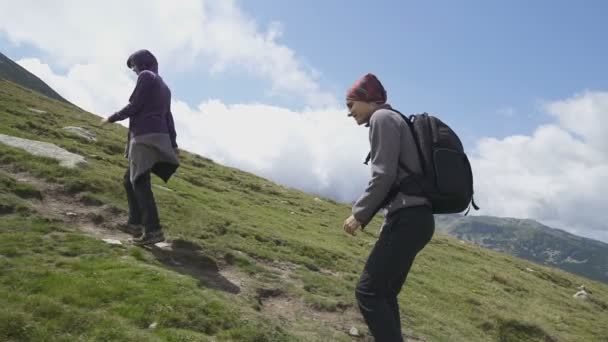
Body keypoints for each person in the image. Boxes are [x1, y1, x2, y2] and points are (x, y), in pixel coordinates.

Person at [343, 73, 435, 341]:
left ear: (368, 100)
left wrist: (358, 214)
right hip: (418, 219)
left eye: (350, 105)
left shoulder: (381, 119)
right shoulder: (395, 118)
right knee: (383, 294)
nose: (349, 114)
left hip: (407, 218)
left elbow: (383, 175)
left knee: (368, 292)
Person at [100, 49, 179, 245]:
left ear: (143, 63)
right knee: (129, 180)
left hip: (144, 136)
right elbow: (168, 116)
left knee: (140, 181)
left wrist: (111, 118)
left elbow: (135, 106)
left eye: (134, 65)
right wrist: (173, 143)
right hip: (158, 136)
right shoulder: (164, 86)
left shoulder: (146, 77)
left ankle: (153, 231)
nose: (134, 70)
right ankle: (134, 224)